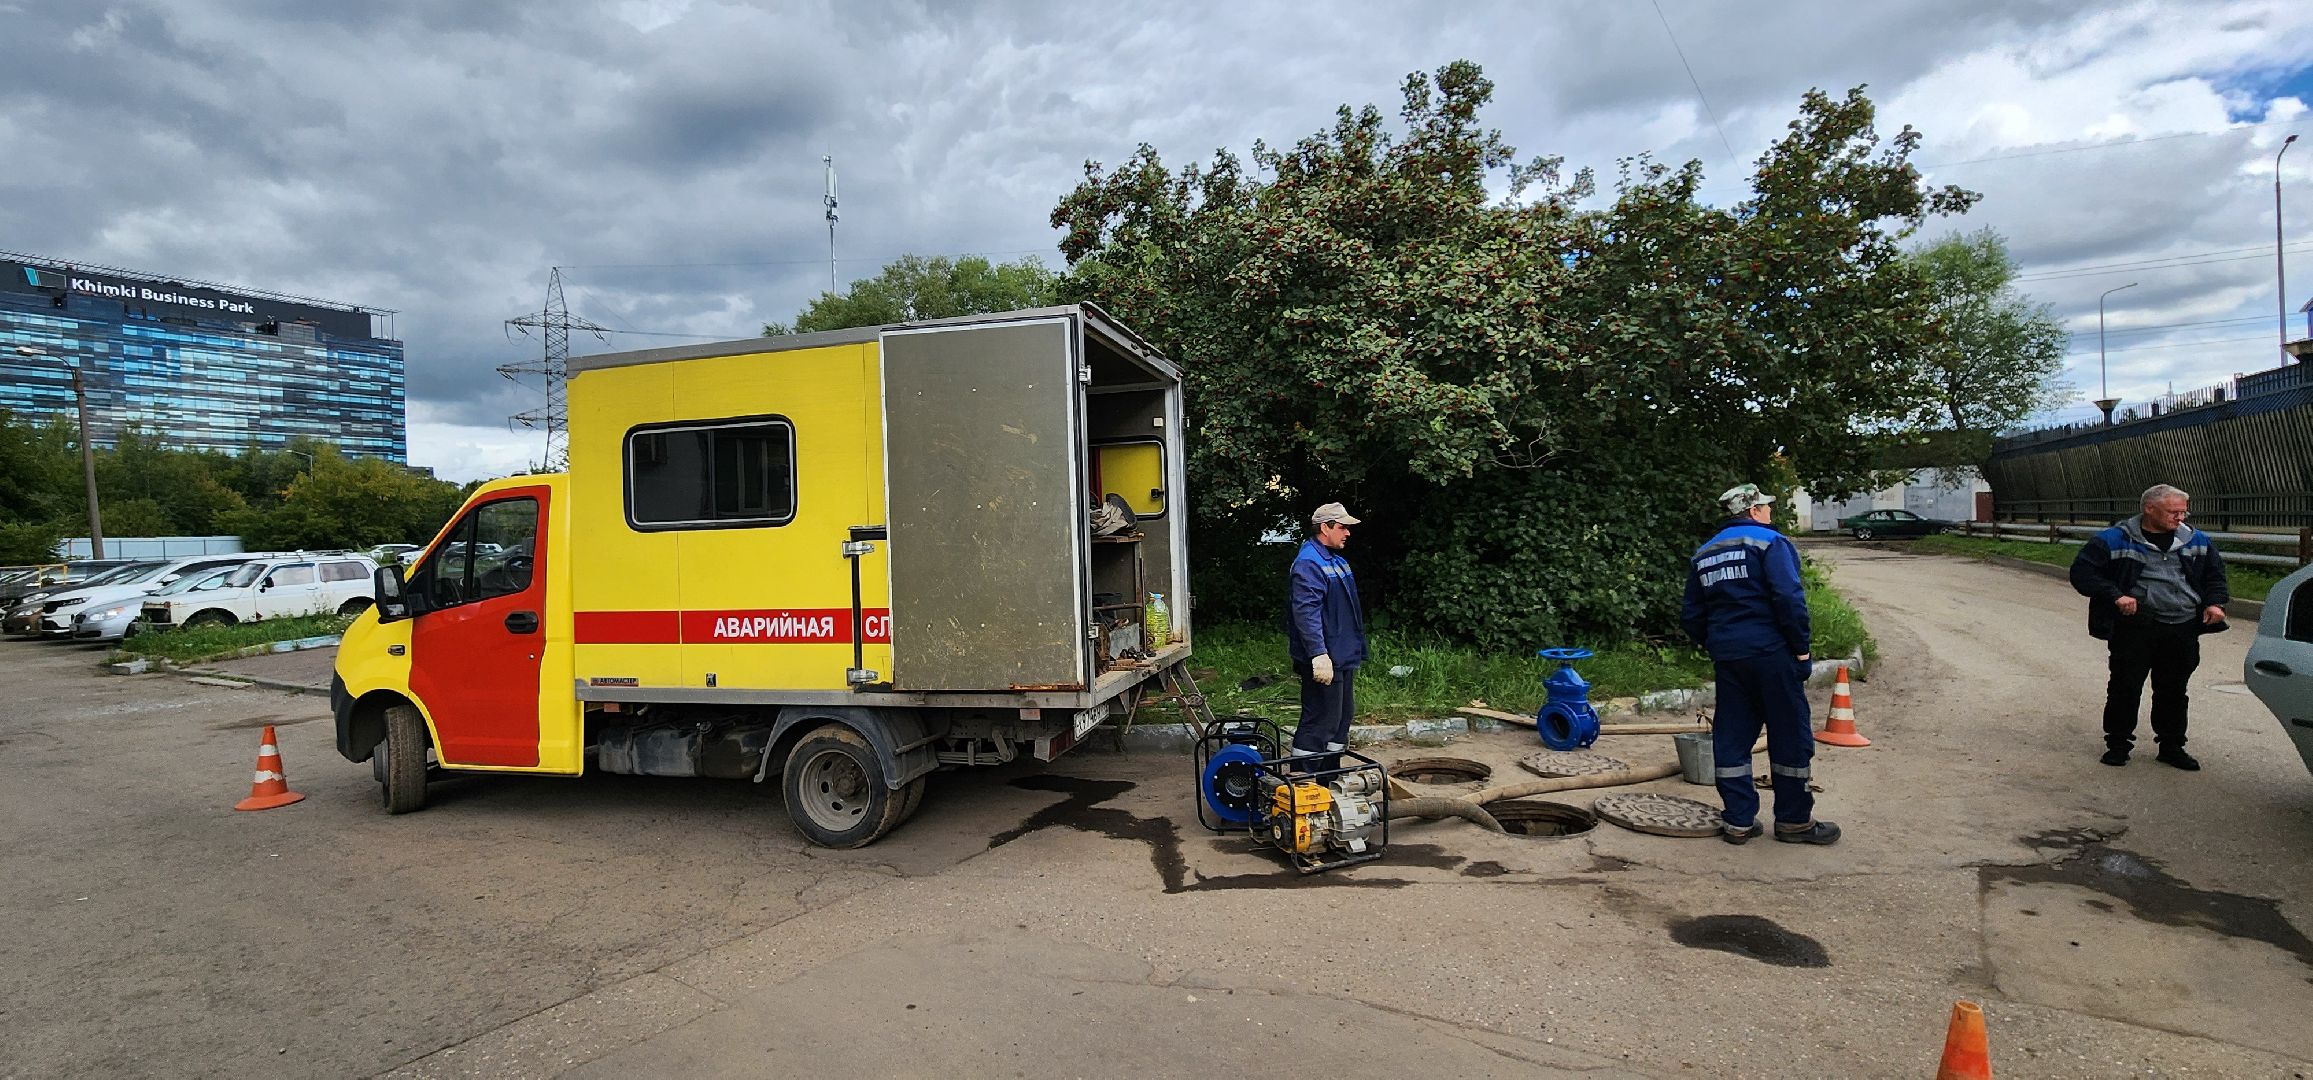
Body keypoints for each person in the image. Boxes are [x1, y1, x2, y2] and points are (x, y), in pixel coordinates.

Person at [1681, 483, 1839, 845]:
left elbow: (1691, 615)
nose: (1770, 511)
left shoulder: (1705, 553)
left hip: (1730, 659)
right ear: (1754, 511)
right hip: (1772, 655)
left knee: (1732, 735)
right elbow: (1788, 597)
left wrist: (1717, 643)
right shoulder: (1771, 543)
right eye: (1766, 506)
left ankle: (1738, 821)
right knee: (1790, 735)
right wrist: (1801, 650)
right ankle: (1794, 821)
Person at [2068, 483, 2230, 770]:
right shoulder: (2113, 540)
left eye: (2183, 511)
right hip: (2136, 625)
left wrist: (2215, 603)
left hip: (2182, 626)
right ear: (2149, 509)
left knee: (2173, 689)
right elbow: (2082, 573)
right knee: (2125, 687)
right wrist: (2116, 595)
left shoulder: (2197, 541)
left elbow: (2215, 577)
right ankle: (2118, 745)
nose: (2180, 518)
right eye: (2173, 512)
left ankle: (2171, 746)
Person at [1287, 502, 1368, 771]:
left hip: (1341, 656)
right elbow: (1306, 613)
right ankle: (1301, 783)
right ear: (1325, 527)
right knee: (1321, 720)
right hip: (1325, 659)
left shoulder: (1334, 559)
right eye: (1342, 527)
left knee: (1340, 719)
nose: (1348, 533)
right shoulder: (1309, 563)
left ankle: (1327, 777)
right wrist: (1318, 654)